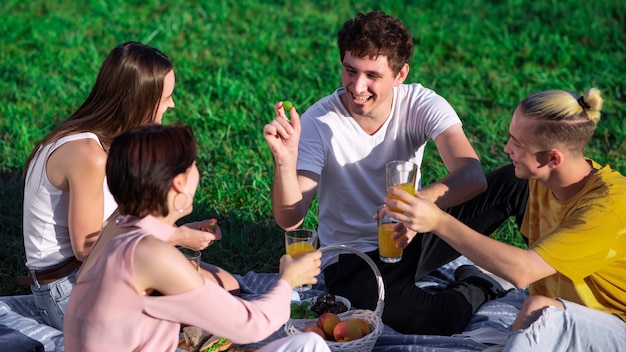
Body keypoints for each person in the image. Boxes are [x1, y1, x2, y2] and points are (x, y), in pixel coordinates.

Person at [263, 11, 528, 335]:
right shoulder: (319, 122)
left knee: (518, 181)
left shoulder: (419, 103)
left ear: (400, 73)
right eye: (350, 70)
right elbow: (290, 219)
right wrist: (285, 162)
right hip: (354, 260)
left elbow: (472, 175)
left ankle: (553, 278)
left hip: (412, 230)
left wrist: (418, 205)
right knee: (435, 320)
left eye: (372, 75)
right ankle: (477, 283)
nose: (357, 87)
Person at [386, 88, 626, 349]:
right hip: (568, 312)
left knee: (540, 311)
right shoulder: (542, 181)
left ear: (552, 158)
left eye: (517, 143)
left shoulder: (607, 209)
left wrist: (439, 222)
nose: (506, 148)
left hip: (616, 326)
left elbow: (522, 271)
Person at [21, 41, 238, 330]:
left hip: (92, 271)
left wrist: (172, 229)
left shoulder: (100, 140)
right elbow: (87, 248)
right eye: (166, 97)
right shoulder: (89, 155)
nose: (172, 104)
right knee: (216, 305)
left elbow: (112, 225)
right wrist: (174, 236)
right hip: (68, 291)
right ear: (140, 100)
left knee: (228, 287)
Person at [63, 124, 329, 351]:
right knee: (309, 346)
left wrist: (178, 233)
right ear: (179, 183)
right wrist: (288, 280)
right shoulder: (152, 255)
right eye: (193, 166)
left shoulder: (115, 231)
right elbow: (251, 325)